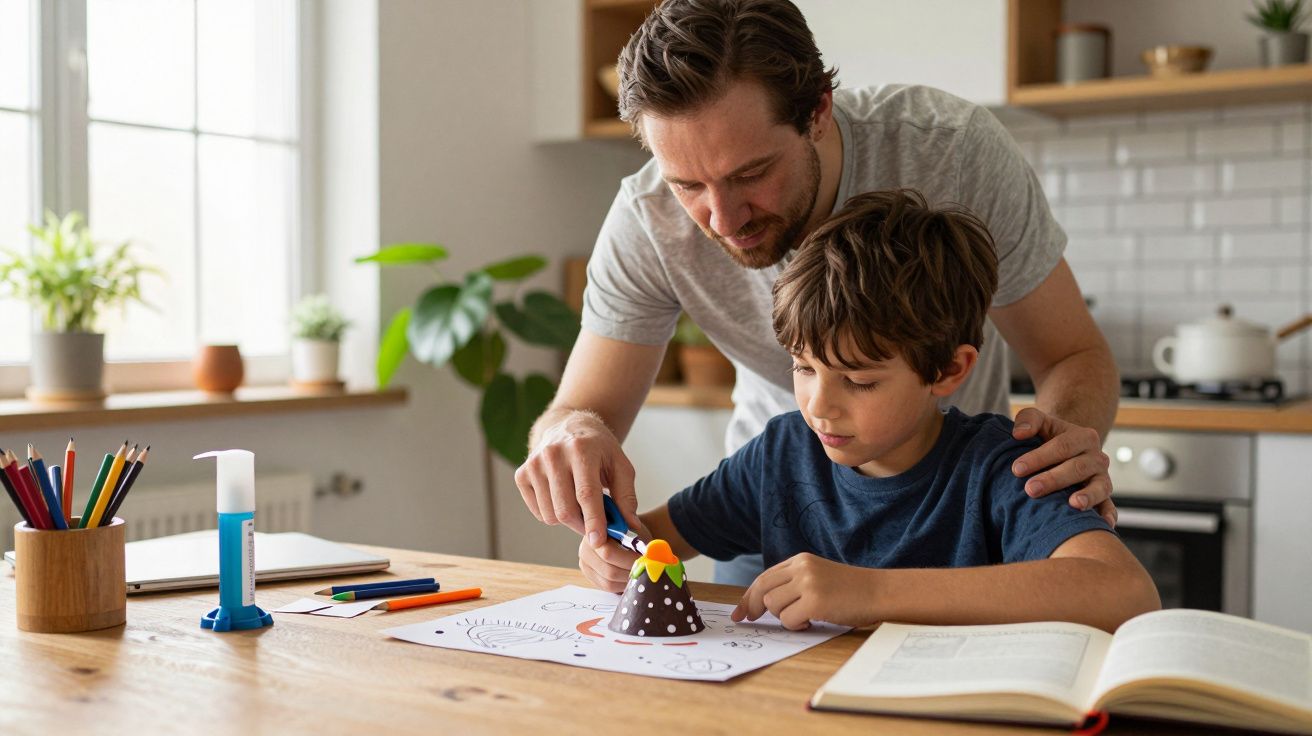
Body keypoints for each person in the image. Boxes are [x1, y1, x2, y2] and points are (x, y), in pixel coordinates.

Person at [517, 0, 1121, 586]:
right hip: (781, 518)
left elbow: (1072, 355)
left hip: (959, 518)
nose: (722, 219)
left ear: (819, 111)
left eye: (750, 174)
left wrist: (1048, 468)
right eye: (687, 184)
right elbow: (578, 410)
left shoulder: (951, 150)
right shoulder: (647, 219)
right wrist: (569, 439)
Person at [577, 190, 1159, 632]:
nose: (819, 406)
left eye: (858, 381)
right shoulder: (781, 455)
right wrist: (614, 550)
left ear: (949, 371)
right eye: (803, 368)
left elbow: (1125, 592)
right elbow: (655, 538)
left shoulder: (1002, 468)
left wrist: (868, 593)